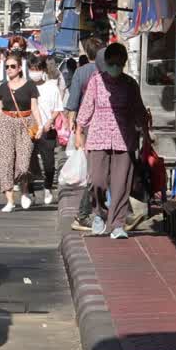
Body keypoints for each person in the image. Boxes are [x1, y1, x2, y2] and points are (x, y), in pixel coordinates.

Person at [75, 42, 150, 239]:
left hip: (124, 138)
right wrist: (79, 130)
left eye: (119, 62)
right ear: (106, 62)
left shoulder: (130, 84)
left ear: (124, 62)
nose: (115, 66)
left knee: (121, 184)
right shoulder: (96, 81)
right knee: (97, 180)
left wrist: (146, 135)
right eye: (112, 62)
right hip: (98, 136)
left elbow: (139, 110)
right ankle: (99, 213)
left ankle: (117, 224)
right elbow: (86, 107)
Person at [0, 50, 41, 212]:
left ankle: (25, 191)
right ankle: (10, 200)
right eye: (7, 67)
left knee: (24, 162)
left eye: (13, 66)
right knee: (5, 161)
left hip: (25, 122)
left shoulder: (30, 85)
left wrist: (39, 125)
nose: (9, 69)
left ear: (20, 68)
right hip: (6, 123)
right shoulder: (2, 88)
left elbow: (34, 107)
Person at [65, 36, 107, 231]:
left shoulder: (81, 73)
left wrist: (74, 128)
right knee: (99, 172)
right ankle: (84, 214)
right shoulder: (104, 72)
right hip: (101, 126)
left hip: (87, 127)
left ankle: (102, 212)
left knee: (97, 171)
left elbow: (73, 103)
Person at [28, 55, 64, 206]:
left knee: (49, 164)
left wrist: (50, 120)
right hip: (30, 129)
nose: (34, 72)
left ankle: (48, 187)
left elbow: (58, 108)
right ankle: (30, 192)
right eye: (31, 70)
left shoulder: (51, 87)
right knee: (28, 162)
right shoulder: (26, 86)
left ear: (42, 70)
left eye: (37, 69)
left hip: (47, 129)